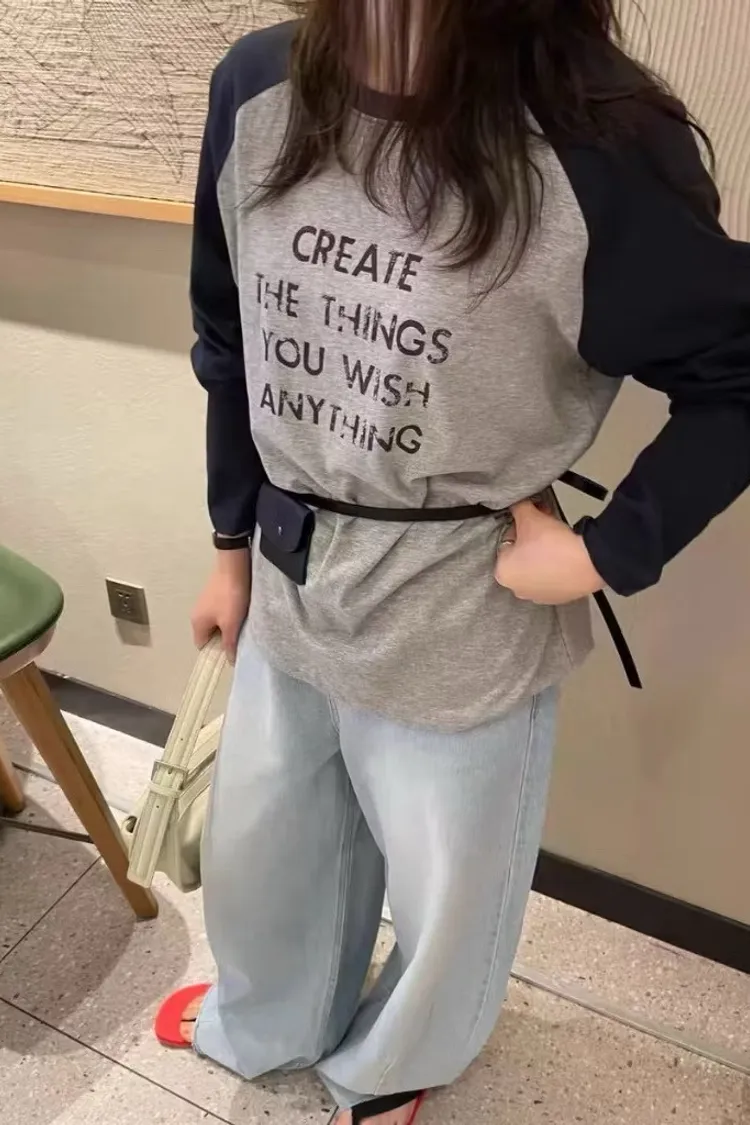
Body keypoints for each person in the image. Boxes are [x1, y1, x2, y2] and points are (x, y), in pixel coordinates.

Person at [154, 3, 750, 1124]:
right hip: (293, 565)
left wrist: (606, 552)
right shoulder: (259, 85)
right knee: (271, 844)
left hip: (462, 594)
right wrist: (229, 544)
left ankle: (394, 1067)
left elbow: (738, 369)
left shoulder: (598, 139)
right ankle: (270, 1018)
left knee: (448, 888)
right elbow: (228, 337)